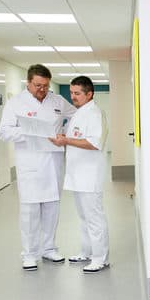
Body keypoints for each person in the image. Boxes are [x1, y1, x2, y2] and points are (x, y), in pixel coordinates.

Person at [0, 64, 76, 271]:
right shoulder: (16, 103)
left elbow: (76, 115)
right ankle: (29, 254)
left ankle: (49, 248)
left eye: (45, 86)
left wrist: (65, 132)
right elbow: (4, 132)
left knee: (52, 208)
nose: (42, 89)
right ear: (28, 82)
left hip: (53, 163)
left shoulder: (57, 100)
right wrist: (29, 132)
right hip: (30, 163)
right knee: (30, 212)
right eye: (38, 85)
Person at [51, 76, 110, 274]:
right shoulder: (80, 112)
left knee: (94, 219)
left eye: (77, 93)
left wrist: (66, 141)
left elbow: (94, 143)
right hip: (78, 175)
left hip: (89, 176)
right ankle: (86, 252)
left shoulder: (94, 113)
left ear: (89, 94)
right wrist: (64, 138)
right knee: (84, 217)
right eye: (71, 92)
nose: (73, 96)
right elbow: (75, 137)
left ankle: (100, 258)